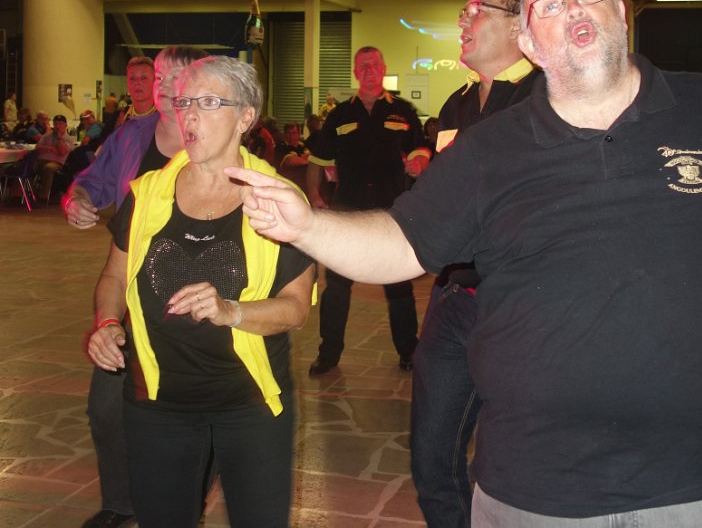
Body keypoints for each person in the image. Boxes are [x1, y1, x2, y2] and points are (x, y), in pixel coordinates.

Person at [230, 0, 702, 526]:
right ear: (531, 44)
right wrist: (307, 224)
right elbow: (400, 244)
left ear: (620, 12)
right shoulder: (489, 149)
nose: (574, 8)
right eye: (550, 4)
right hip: (537, 493)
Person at [86, 55, 315, 528]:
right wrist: (106, 322)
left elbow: (295, 309)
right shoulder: (147, 193)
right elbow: (113, 276)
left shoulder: (278, 199)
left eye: (209, 103)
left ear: (246, 117)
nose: (190, 115)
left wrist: (231, 310)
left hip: (248, 402)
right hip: (157, 401)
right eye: (184, 102)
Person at [410, 0, 541, 527]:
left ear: (517, 23)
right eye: (463, 12)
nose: (463, 20)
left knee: (517, 462)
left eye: (476, 10)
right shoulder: (458, 103)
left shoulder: (547, 96)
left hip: (524, 304)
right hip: (453, 298)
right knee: (431, 455)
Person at [64, 45, 208, 528]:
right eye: (159, 75)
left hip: (199, 296)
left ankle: (183, 507)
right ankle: (122, 502)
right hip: (131, 293)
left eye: (175, 76)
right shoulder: (130, 136)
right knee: (107, 407)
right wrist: (77, 200)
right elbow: (91, 182)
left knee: (191, 414)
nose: (163, 86)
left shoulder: (212, 139)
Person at [305, 46, 430, 374]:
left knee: (399, 286)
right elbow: (317, 160)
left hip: (393, 213)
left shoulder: (403, 111)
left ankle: (409, 351)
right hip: (348, 213)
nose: (369, 70)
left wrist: (419, 161)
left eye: (374, 64)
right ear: (356, 73)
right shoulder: (340, 115)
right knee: (337, 285)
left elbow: (420, 148)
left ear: (383, 68)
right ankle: (328, 354)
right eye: (363, 66)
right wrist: (314, 195)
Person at [34, 113, 74, 200]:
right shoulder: (47, 136)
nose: (57, 126)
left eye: (60, 124)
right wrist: (49, 148)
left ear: (65, 125)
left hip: (57, 162)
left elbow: (62, 152)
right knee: (28, 165)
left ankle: (43, 196)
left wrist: (59, 138)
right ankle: (21, 194)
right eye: (55, 124)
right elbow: (37, 147)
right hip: (42, 160)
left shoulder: (69, 139)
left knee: (49, 168)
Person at [111, 56, 156, 132]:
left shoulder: (166, 119)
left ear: (155, 82)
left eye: (143, 78)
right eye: (132, 78)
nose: (137, 83)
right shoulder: (119, 117)